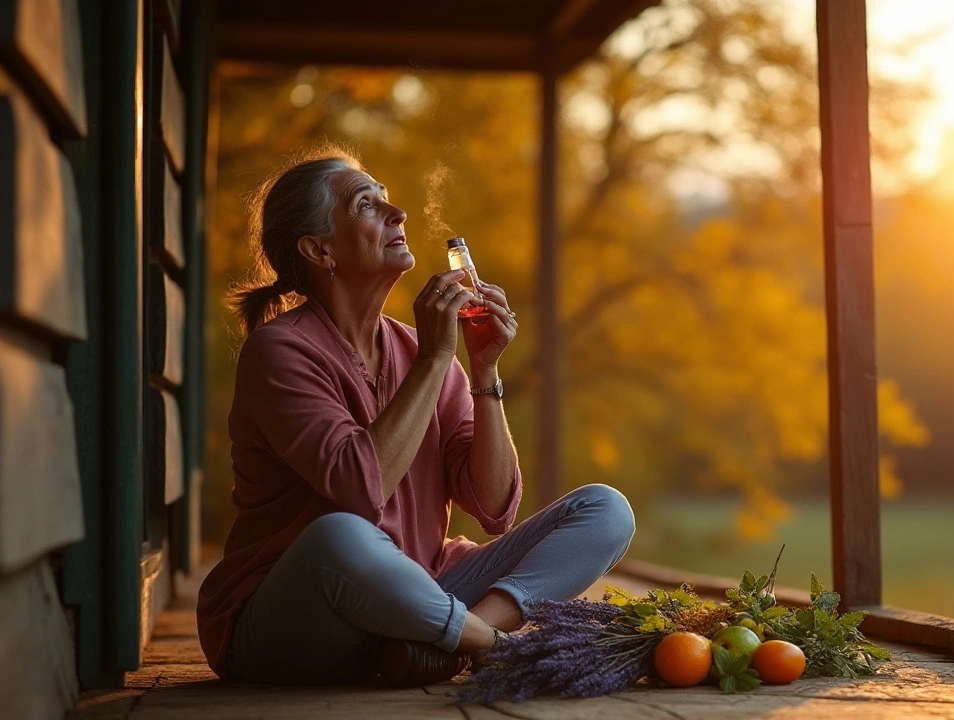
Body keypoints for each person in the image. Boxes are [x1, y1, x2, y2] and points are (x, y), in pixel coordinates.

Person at [196, 147, 634, 687]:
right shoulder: (280, 352)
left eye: (387, 199)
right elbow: (361, 487)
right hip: (294, 617)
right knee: (340, 536)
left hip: (421, 595)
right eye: (366, 204)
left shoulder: (426, 352)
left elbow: (493, 506)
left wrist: (482, 370)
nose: (397, 212)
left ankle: (458, 636)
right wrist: (432, 359)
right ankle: (489, 645)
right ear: (319, 249)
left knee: (605, 511)